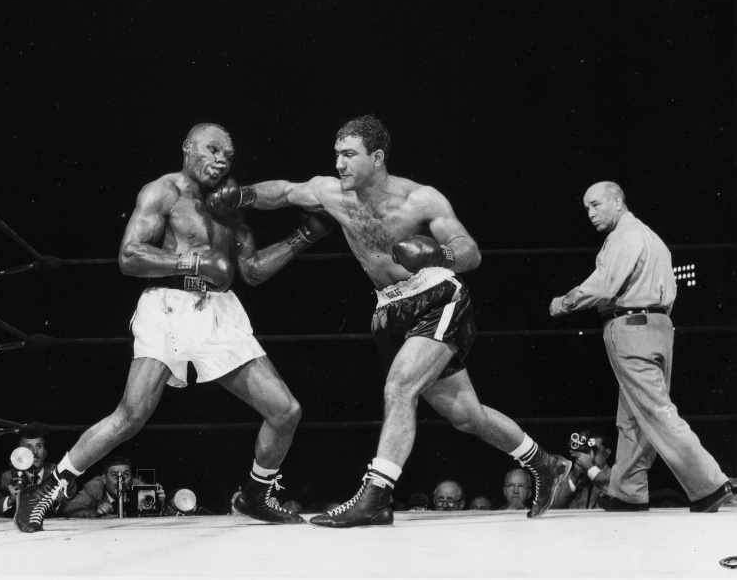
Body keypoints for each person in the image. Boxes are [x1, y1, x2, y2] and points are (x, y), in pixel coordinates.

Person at [208, 115, 571, 527]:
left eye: (349, 155)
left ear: (377, 158)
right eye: (337, 155)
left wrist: (439, 254)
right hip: (389, 309)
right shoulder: (331, 193)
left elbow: (470, 251)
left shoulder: (421, 200)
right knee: (466, 415)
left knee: (400, 387)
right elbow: (286, 192)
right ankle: (546, 463)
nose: (339, 164)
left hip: (436, 297)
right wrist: (242, 196)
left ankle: (377, 496)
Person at [15, 123, 332, 533]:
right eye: (213, 149)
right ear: (187, 148)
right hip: (166, 305)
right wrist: (193, 263)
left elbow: (251, 271)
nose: (221, 160)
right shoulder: (162, 192)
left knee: (285, 410)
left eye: (228, 155)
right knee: (131, 416)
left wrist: (302, 236)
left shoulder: (228, 201)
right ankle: (49, 488)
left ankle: (257, 493)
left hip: (218, 310)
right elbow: (129, 256)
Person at [549, 181, 733, 513]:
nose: (590, 213)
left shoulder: (622, 237)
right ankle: (627, 490)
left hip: (632, 328)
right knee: (634, 413)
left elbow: (604, 287)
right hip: (659, 326)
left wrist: (564, 302)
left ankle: (709, 484)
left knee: (655, 409)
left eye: (596, 205)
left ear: (617, 202)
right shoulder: (652, 237)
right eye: (587, 208)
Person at [0, 429, 72, 518]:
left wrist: (60, 502)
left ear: (45, 453)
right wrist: (10, 500)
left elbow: (75, 506)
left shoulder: (60, 474)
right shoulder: (7, 477)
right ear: (19, 453)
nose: (35, 451)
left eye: (39, 446)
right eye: (29, 447)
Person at [63, 455, 158, 518]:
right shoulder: (95, 486)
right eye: (114, 476)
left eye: (125, 475)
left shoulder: (139, 488)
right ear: (104, 478)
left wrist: (159, 504)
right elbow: (70, 509)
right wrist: (95, 513)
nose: (121, 481)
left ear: (131, 477)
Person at [552, 428, 613, 510]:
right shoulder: (569, 477)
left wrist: (590, 468)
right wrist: (574, 479)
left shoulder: (615, 476)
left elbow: (619, 497)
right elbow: (552, 507)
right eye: (587, 450)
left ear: (607, 453)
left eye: (595, 449)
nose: (589, 455)